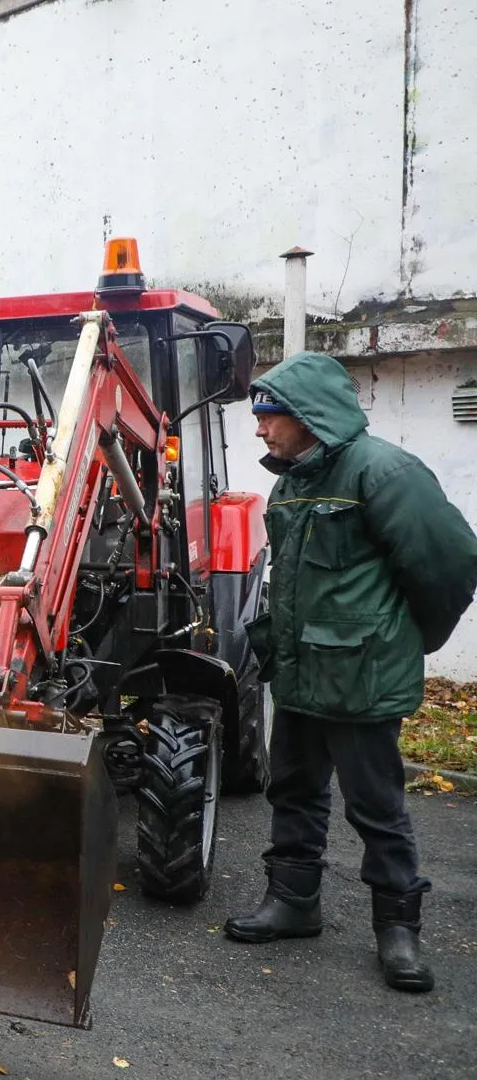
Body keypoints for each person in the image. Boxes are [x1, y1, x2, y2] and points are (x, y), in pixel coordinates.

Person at [224, 350, 477, 994]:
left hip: (362, 679)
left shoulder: (383, 472)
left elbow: (450, 564)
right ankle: (293, 902)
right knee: (293, 791)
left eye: (270, 416)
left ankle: (398, 929)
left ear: (309, 415)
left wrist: (412, 639)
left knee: (376, 807)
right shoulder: (290, 483)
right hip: (300, 673)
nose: (260, 429)